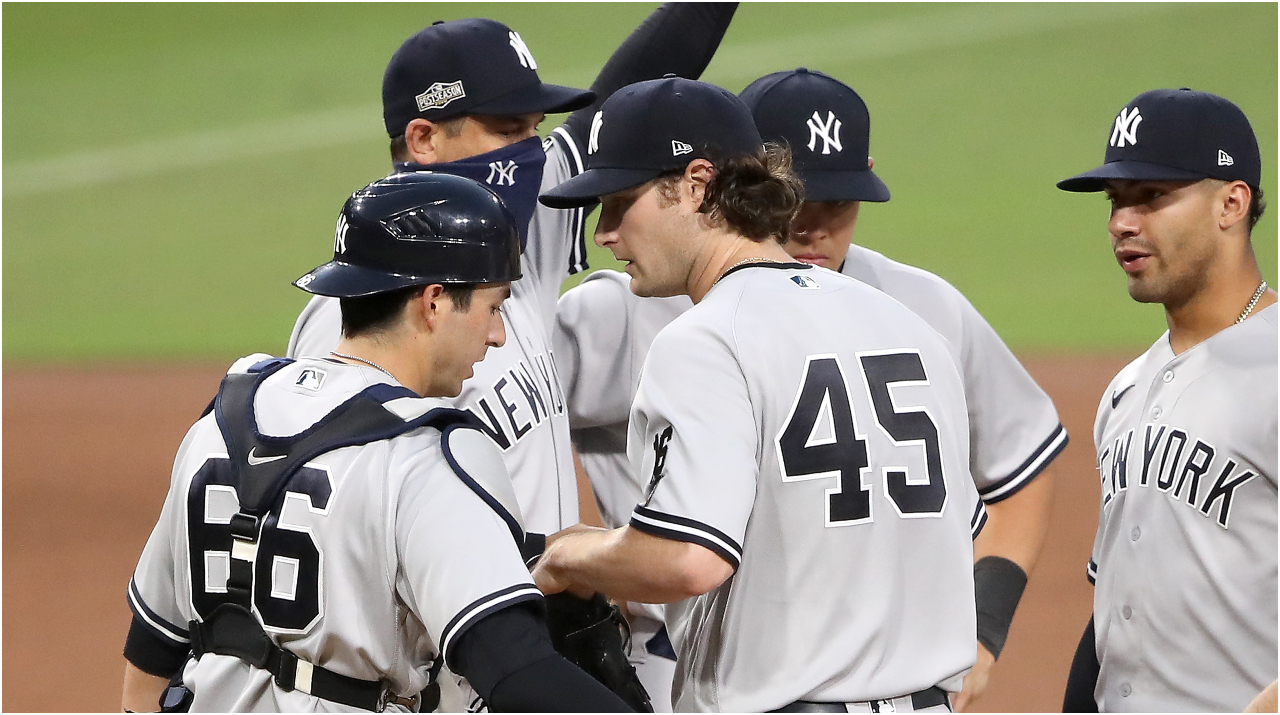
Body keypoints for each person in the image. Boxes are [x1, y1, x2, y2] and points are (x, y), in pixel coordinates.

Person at [553, 68, 1065, 711]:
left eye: (620, 203)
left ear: (696, 186)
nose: (603, 232)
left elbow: (688, 561)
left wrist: (570, 556)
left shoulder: (702, 340)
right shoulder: (908, 325)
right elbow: (952, 531)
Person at [121, 173, 635, 713]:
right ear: (434, 302)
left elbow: (150, 655)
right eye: (493, 307)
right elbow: (517, 671)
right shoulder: (427, 454)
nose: (497, 334)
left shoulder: (224, 418)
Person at [287, 7, 737, 540]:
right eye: (507, 130)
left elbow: (628, 88)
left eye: (534, 129)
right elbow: (331, 522)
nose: (531, 154)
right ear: (424, 139)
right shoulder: (358, 313)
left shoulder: (519, 232)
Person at [1056, 88, 1276, 712]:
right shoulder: (1126, 390)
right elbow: (1114, 616)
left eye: (1151, 196)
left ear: (1231, 203)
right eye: (1115, 200)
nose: (1122, 223)